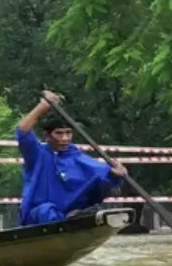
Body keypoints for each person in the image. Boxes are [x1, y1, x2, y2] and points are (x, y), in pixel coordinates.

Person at [15, 90, 128, 226]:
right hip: (39, 217)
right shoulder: (37, 154)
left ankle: (73, 220)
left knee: (92, 207)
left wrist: (114, 174)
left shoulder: (76, 155)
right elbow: (22, 132)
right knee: (46, 211)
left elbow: (100, 173)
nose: (65, 138)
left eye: (68, 133)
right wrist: (43, 106)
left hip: (71, 215)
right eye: (59, 133)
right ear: (47, 136)